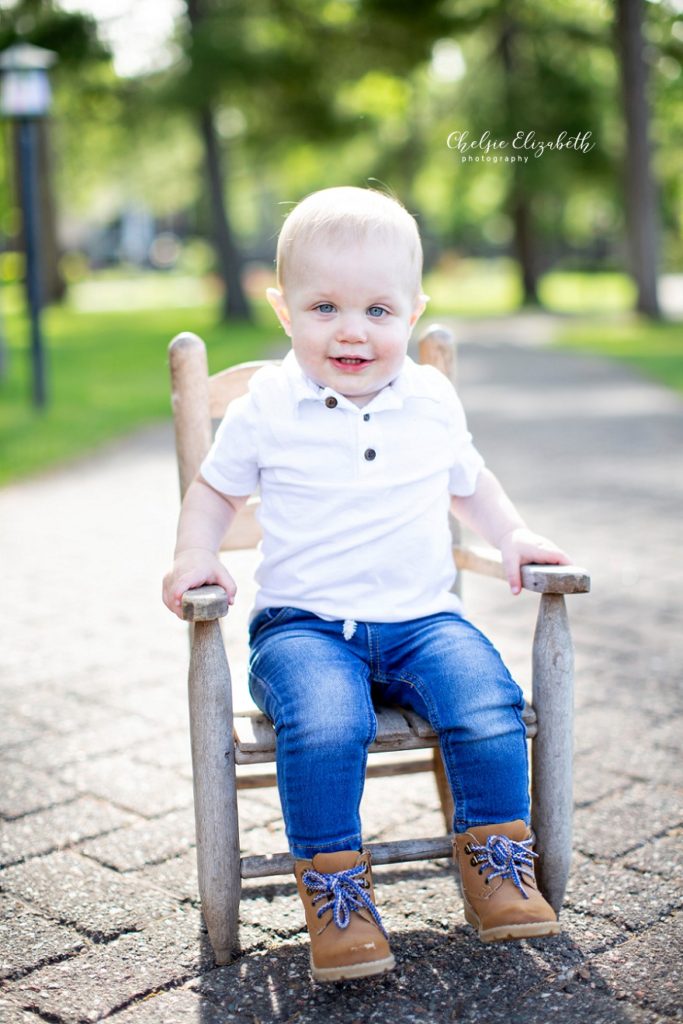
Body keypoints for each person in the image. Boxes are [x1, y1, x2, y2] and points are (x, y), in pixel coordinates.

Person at [162, 186, 572, 983]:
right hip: (302, 626)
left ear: (413, 311)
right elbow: (212, 493)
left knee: (485, 701)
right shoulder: (265, 407)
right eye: (325, 307)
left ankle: (495, 866)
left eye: (378, 310)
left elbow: (469, 483)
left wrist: (513, 535)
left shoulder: (429, 399)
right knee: (324, 721)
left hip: (423, 619)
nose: (352, 330)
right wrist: (194, 556)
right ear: (284, 311)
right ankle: (336, 896)